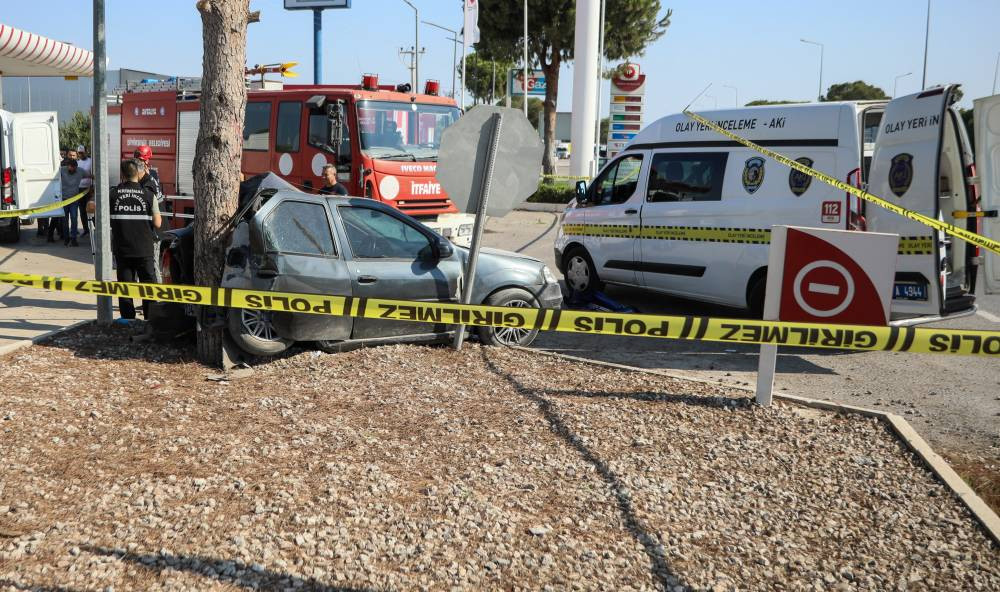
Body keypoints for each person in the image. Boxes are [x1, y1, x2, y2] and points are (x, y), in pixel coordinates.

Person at [111, 158, 161, 320]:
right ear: (138, 175)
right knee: (148, 285)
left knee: (125, 285)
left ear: (122, 175)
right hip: (144, 248)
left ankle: (128, 319)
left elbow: (94, 210)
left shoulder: (112, 194)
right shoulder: (148, 195)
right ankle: (150, 318)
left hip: (123, 248)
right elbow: (158, 223)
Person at [57, 158, 85, 246]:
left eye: (74, 169)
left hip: (74, 200)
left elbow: (91, 176)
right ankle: (66, 238)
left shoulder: (80, 171)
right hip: (64, 200)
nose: (72, 170)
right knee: (64, 220)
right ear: (67, 166)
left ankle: (73, 238)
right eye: (70, 168)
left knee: (74, 218)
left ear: (76, 167)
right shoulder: (61, 170)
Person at [76, 145, 94, 236]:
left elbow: (93, 175)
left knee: (90, 209)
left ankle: (93, 229)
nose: (81, 154)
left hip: (89, 189)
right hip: (79, 190)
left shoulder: (91, 162)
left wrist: (92, 186)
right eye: (79, 153)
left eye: (82, 153)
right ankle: (85, 229)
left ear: (86, 152)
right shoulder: (77, 162)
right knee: (82, 210)